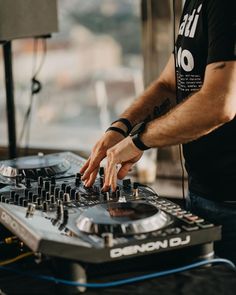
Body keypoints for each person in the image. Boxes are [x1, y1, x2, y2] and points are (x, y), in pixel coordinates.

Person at [80, 0, 236, 263]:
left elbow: (219, 104)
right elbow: (168, 84)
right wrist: (121, 127)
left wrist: (139, 141)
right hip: (203, 195)